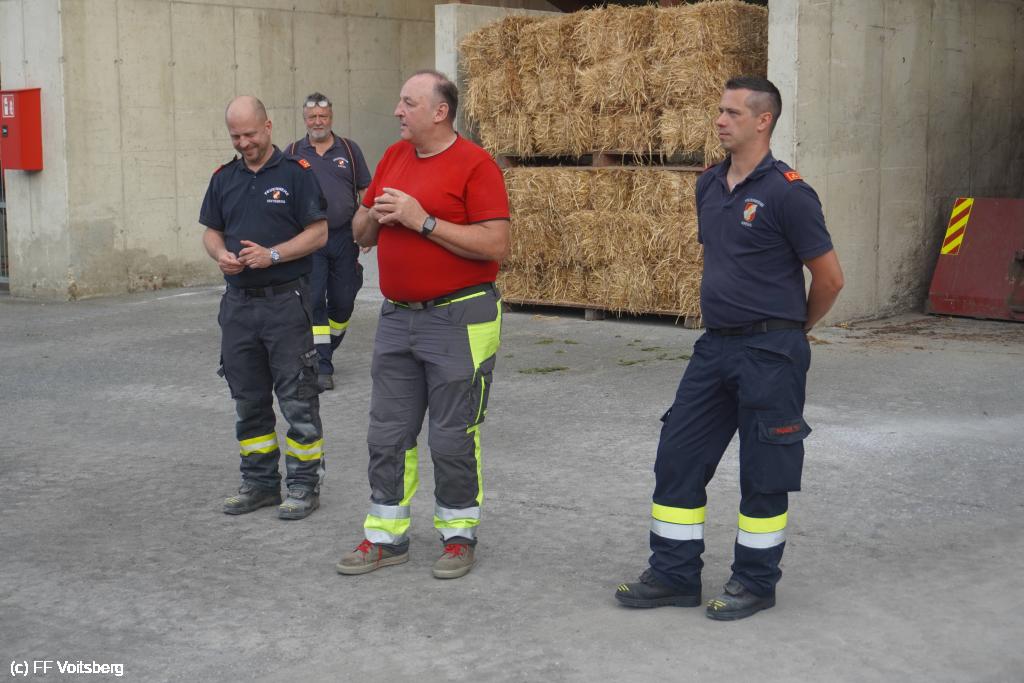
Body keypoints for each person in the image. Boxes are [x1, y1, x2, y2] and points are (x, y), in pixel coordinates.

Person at [615, 77, 844, 619]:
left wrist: (793, 331)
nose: (720, 120)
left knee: (764, 473)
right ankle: (673, 575)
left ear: (763, 120)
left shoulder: (789, 193)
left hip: (771, 352)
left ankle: (755, 583)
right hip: (714, 347)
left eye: (733, 112)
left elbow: (831, 279)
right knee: (678, 456)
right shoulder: (709, 185)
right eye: (719, 110)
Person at [335, 70, 510, 580]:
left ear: (440, 111)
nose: (397, 111)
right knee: (387, 434)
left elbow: (496, 245)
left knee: (453, 436)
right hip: (398, 317)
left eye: (408, 103)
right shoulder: (393, 157)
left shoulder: (476, 165)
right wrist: (373, 215)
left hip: (461, 316)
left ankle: (458, 537)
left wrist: (422, 220)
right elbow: (360, 232)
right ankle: (386, 537)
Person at [199, 95, 329, 520]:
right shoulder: (224, 178)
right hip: (238, 307)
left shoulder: (296, 174)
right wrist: (220, 254)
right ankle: (259, 484)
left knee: (297, 399)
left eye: (250, 134)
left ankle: (304, 485)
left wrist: (273, 255)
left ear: (268, 127)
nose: (243, 143)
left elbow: (319, 233)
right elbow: (211, 232)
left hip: (285, 305)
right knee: (248, 400)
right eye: (236, 136)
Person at [287, 92, 372, 391]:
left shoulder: (349, 150)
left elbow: (366, 192)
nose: (317, 122)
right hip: (311, 238)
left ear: (331, 118)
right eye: (312, 117)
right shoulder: (293, 152)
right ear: (304, 119)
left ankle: (323, 347)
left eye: (323, 116)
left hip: (344, 237)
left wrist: (367, 229)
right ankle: (322, 364)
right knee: (313, 300)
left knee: (343, 301)